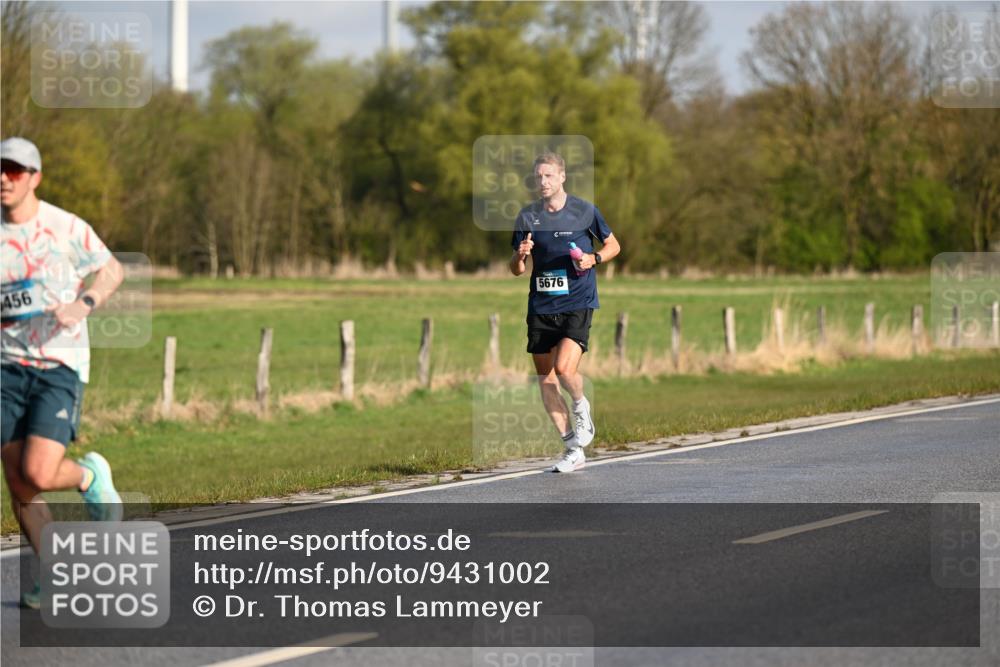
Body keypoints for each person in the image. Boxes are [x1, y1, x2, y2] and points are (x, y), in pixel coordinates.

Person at [1, 137, 125, 608]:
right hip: (6, 367)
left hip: (58, 363)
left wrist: (84, 304)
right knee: (20, 483)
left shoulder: (65, 227)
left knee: (39, 469)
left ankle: (89, 475)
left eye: (14, 171)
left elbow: (111, 270)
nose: (3, 179)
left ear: (34, 177)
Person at [509, 152, 620, 473]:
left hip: (577, 302)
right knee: (546, 379)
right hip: (541, 306)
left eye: (548, 176)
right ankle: (572, 447)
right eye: (537, 177)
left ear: (562, 177)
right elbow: (516, 269)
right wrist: (520, 256)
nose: (542, 182)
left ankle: (581, 405)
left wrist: (593, 259)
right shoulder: (527, 217)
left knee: (564, 368)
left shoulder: (585, 211)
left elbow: (614, 245)